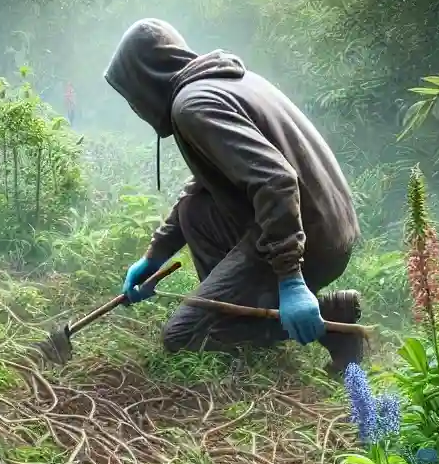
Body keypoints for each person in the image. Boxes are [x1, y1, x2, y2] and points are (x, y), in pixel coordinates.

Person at [104, 19, 363, 370]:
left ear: (146, 77)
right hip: (326, 222)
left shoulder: (193, 104)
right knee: (194, 210)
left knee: (181, 338)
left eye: (131, 93)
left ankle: (334, 322)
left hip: (312, 236)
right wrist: (155, 255)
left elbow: (275, 180)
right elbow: (204, 184)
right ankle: (237, 306)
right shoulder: (223, 81)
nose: (135, 106)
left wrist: (290, 278)